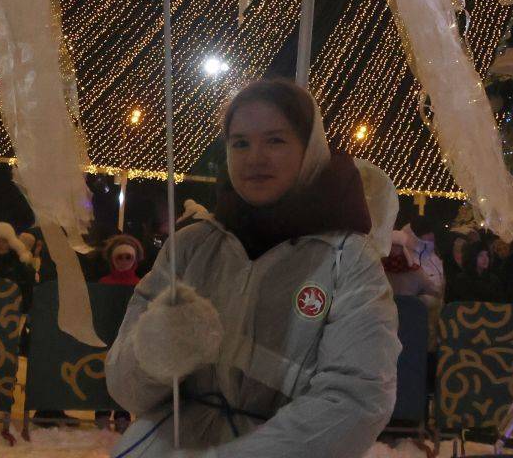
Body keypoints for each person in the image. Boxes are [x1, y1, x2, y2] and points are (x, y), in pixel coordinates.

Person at [106, 77, 398, 457]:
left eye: (275, 140)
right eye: (240, 143)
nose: (255, 157)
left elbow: (356, 399)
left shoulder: (348, 259)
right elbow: (125, 389)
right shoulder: (193, 246)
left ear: (309, 149)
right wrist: (156, 353)